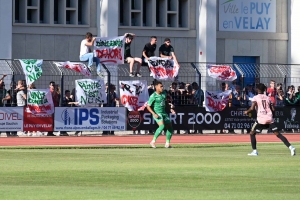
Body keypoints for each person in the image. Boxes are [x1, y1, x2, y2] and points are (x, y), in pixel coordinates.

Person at [244, 83, 296, 156]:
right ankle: (291, 147)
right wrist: (272, 117)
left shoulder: (255, 97)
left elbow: (252, 108)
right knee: (278, 134)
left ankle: (254, 151)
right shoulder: (267, 98)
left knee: (252, 133)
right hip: (269, 118)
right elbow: (273, 109)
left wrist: (247, 111)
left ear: (258, 89)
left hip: (261, 119)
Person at [147, 81, 176, 148]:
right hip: (157, 113)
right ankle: (153, 141)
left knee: (170, 128)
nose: (162, 88)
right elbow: (148, 106)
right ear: (156, 87)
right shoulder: (153, 96)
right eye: (161, 86)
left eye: (162, 86)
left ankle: (167, 143)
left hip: (164, 113)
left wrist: (170, 109)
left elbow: (165, 102)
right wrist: (153, 113)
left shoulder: (164, 94)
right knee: (162, 126)